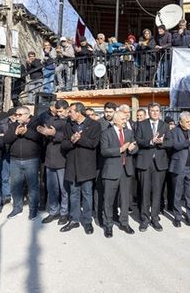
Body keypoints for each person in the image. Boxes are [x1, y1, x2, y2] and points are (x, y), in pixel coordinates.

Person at [59, 102, 102, 234]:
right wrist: (72, 140)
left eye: (71, 111)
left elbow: (94, 144)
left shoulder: (94, 125)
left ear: (78, 112)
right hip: (72, 165)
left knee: (87, 195)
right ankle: (74, 220)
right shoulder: (68, 125)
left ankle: (87, 221)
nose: (68, 113)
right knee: (74, 194)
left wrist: (80, 139)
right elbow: (63, 145)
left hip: (87, 166)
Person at [99, 111, 138, 237]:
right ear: (115, 120)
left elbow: (135, 146)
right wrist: (120, 149)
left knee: (125, 200)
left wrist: (132, 148)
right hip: (111, 171)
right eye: (122, 119)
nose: (125, 121)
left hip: (126, 170)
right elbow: (104, 151)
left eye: (126, 118)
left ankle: (124, 223)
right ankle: (108, 225)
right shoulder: (106, 133)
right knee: (109, 200)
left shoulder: (129, 132)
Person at [164, 111, 190, 229]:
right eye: (187, 122)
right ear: (180, 122)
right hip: (178, 167)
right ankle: (177, 217)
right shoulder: (173, 132)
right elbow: (175, 146)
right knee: (177, 193)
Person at [134, 103, 170, 232]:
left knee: (157, 192)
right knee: (144, 192)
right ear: (148, 112)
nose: (154, 113)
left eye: (156, 110)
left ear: (160, 112)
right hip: (145, 163)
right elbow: (138, 140)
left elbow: (170, 142)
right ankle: (144, 219)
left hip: (159, 164)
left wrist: (162, 142)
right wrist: (150, 142)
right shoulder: (141, 124)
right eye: (152, 110)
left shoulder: (165, 125)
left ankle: (154, 218)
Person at [4, 106, 44, 220]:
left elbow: (40, 139)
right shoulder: (13, 125)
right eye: (16, 115)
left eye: (19, 115)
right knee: (15, 185)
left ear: (28, 114)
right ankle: (17, 208)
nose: (17, 117)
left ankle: (33, 210)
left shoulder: (36, 124)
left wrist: (27, 132)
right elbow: (6, 140)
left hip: (31, 160)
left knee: (33, 186)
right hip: (15, 160)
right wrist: (15, 133)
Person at [37, 100, 70, 225]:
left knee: (64, 189)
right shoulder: (51, 120)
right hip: (50, 158)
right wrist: (42, 131)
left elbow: (69, 137)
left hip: (63, 158)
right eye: (57, 111)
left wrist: (55, 134)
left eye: (61, 111)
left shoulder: (70, 121)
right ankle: (53, 211)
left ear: (67, 109)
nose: (59, 113)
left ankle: (64, 213)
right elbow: (46, 133)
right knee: (51, 188)